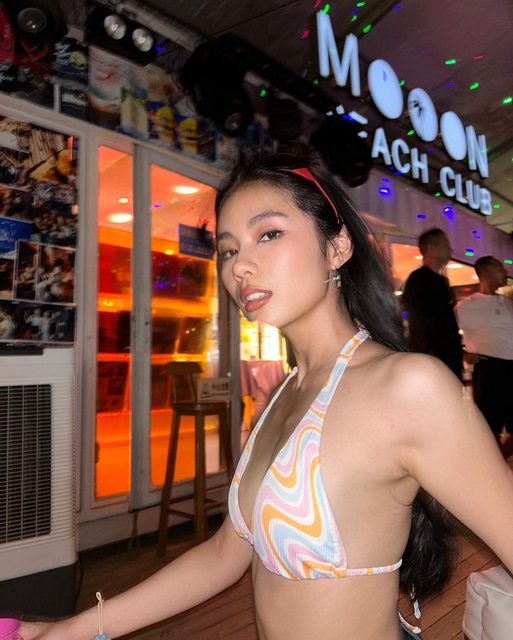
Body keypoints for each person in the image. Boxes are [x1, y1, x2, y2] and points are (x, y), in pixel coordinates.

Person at [19, 153, 513, 640]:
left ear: (338, 246)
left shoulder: (408, 387)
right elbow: (222, 556)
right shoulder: (283, 396)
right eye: (228, 250)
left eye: (269, 234)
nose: (241, 266)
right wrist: (75, 628)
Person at [455, 256, 513, 455]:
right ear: (486, 274)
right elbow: (443, 335)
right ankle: (496, 465)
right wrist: (463, 353)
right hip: (491, 369)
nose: (505, 272)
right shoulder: (466, 306)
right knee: (489, 427)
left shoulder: (507, 301)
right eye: (500, 269)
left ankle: (500, 462)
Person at [401, 228, 463, 379]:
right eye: (446, 245)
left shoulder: (441, 280)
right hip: (434, 359)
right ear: (431, 249)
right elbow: (422, 323)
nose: (450, 250)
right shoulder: (418, 279)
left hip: (446, 357)